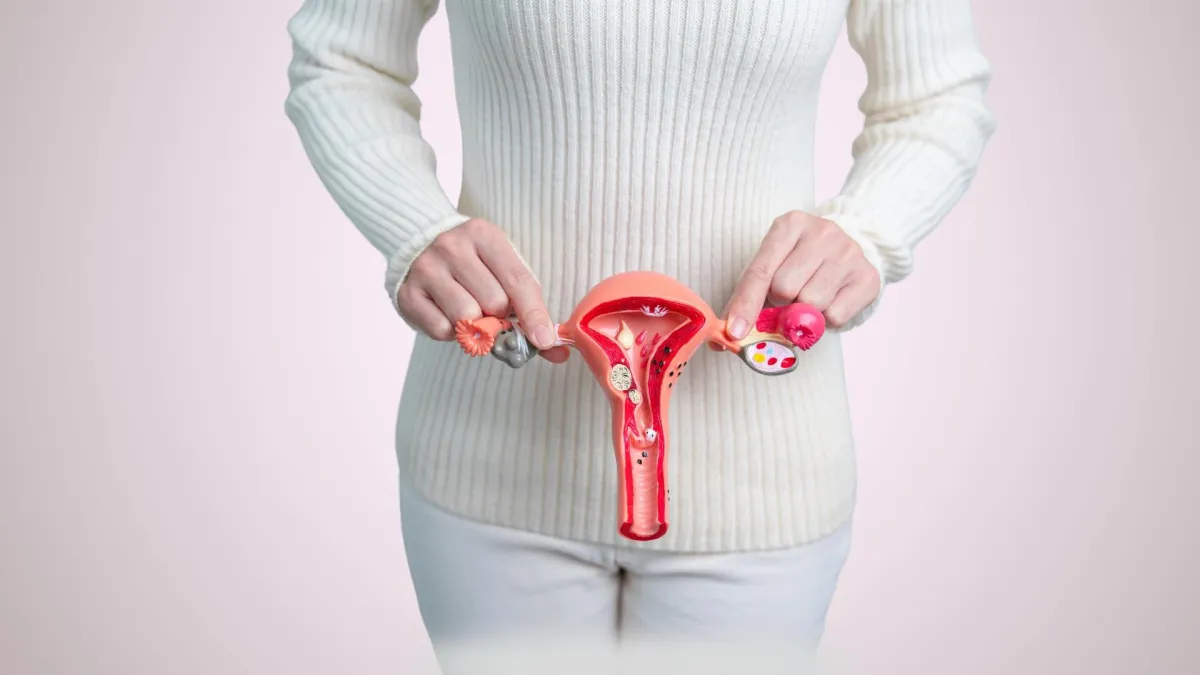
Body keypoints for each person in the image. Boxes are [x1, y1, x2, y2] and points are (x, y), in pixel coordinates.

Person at [284, 0, 994, 671]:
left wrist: (870, 232)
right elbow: (343, 58)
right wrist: (414, 227)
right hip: (488, 462)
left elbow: (937, 97)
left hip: (764, 480)